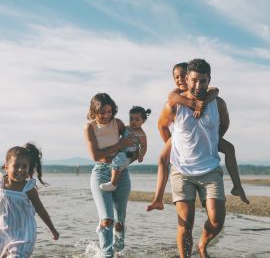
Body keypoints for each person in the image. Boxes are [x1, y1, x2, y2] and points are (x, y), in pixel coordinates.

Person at [150, 59, 230, 258]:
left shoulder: (216, 102)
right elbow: (161, 125)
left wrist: (211, 139)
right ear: (187, 79)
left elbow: (224, 124)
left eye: (203, 81)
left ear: (208, 80)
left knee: (217, 220)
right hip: (181, 170)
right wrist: (173, 143)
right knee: (185, 222)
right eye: (194, 80)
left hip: (209, 167)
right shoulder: (174, 104)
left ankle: (202, 245)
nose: (198, 85)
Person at [147, 62, 248, 213]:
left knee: (229, 148)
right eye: (177, 77)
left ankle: (237, 185)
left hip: (205, 138)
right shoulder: (175, 95)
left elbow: (215, 91)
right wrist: (191, 104)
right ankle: (158, 198)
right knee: (162, 159)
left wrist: (213, 138)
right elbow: (169, 104)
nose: (180, 80)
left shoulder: (209, 94)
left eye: (182, 76)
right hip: (180, 138)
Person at [83, 93, 138, 258]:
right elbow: (96, 155)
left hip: (121, 172)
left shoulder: (118, 123)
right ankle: (106, 254)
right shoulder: (89, 127)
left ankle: (119, 252)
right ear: (94, 111)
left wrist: (135, 154)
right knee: (107, 219)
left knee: (119, 221)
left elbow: (134, 139)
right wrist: (120, 145)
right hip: (100, 172)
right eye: (102, 112)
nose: (106, 115)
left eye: (109, 111)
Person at [0, 143, 59, 258]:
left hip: (23, 234)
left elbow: (40, 209)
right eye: (16, 166)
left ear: (29, 169)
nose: (20, 170)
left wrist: (52, 229)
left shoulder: (29, 188)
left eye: (24, 166)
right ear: (6, 167)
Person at [100, 106, 151, 192]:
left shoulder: (141, 134)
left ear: (143, 121)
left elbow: (143, 146)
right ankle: (112, 178)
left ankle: (113, 184)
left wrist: (141, 155)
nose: (133, 121)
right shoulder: (127, 128)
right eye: (131, 119)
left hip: (128, 152)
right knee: (115, 162)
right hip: (121, 149)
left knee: (118, 161)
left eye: (137, 120)